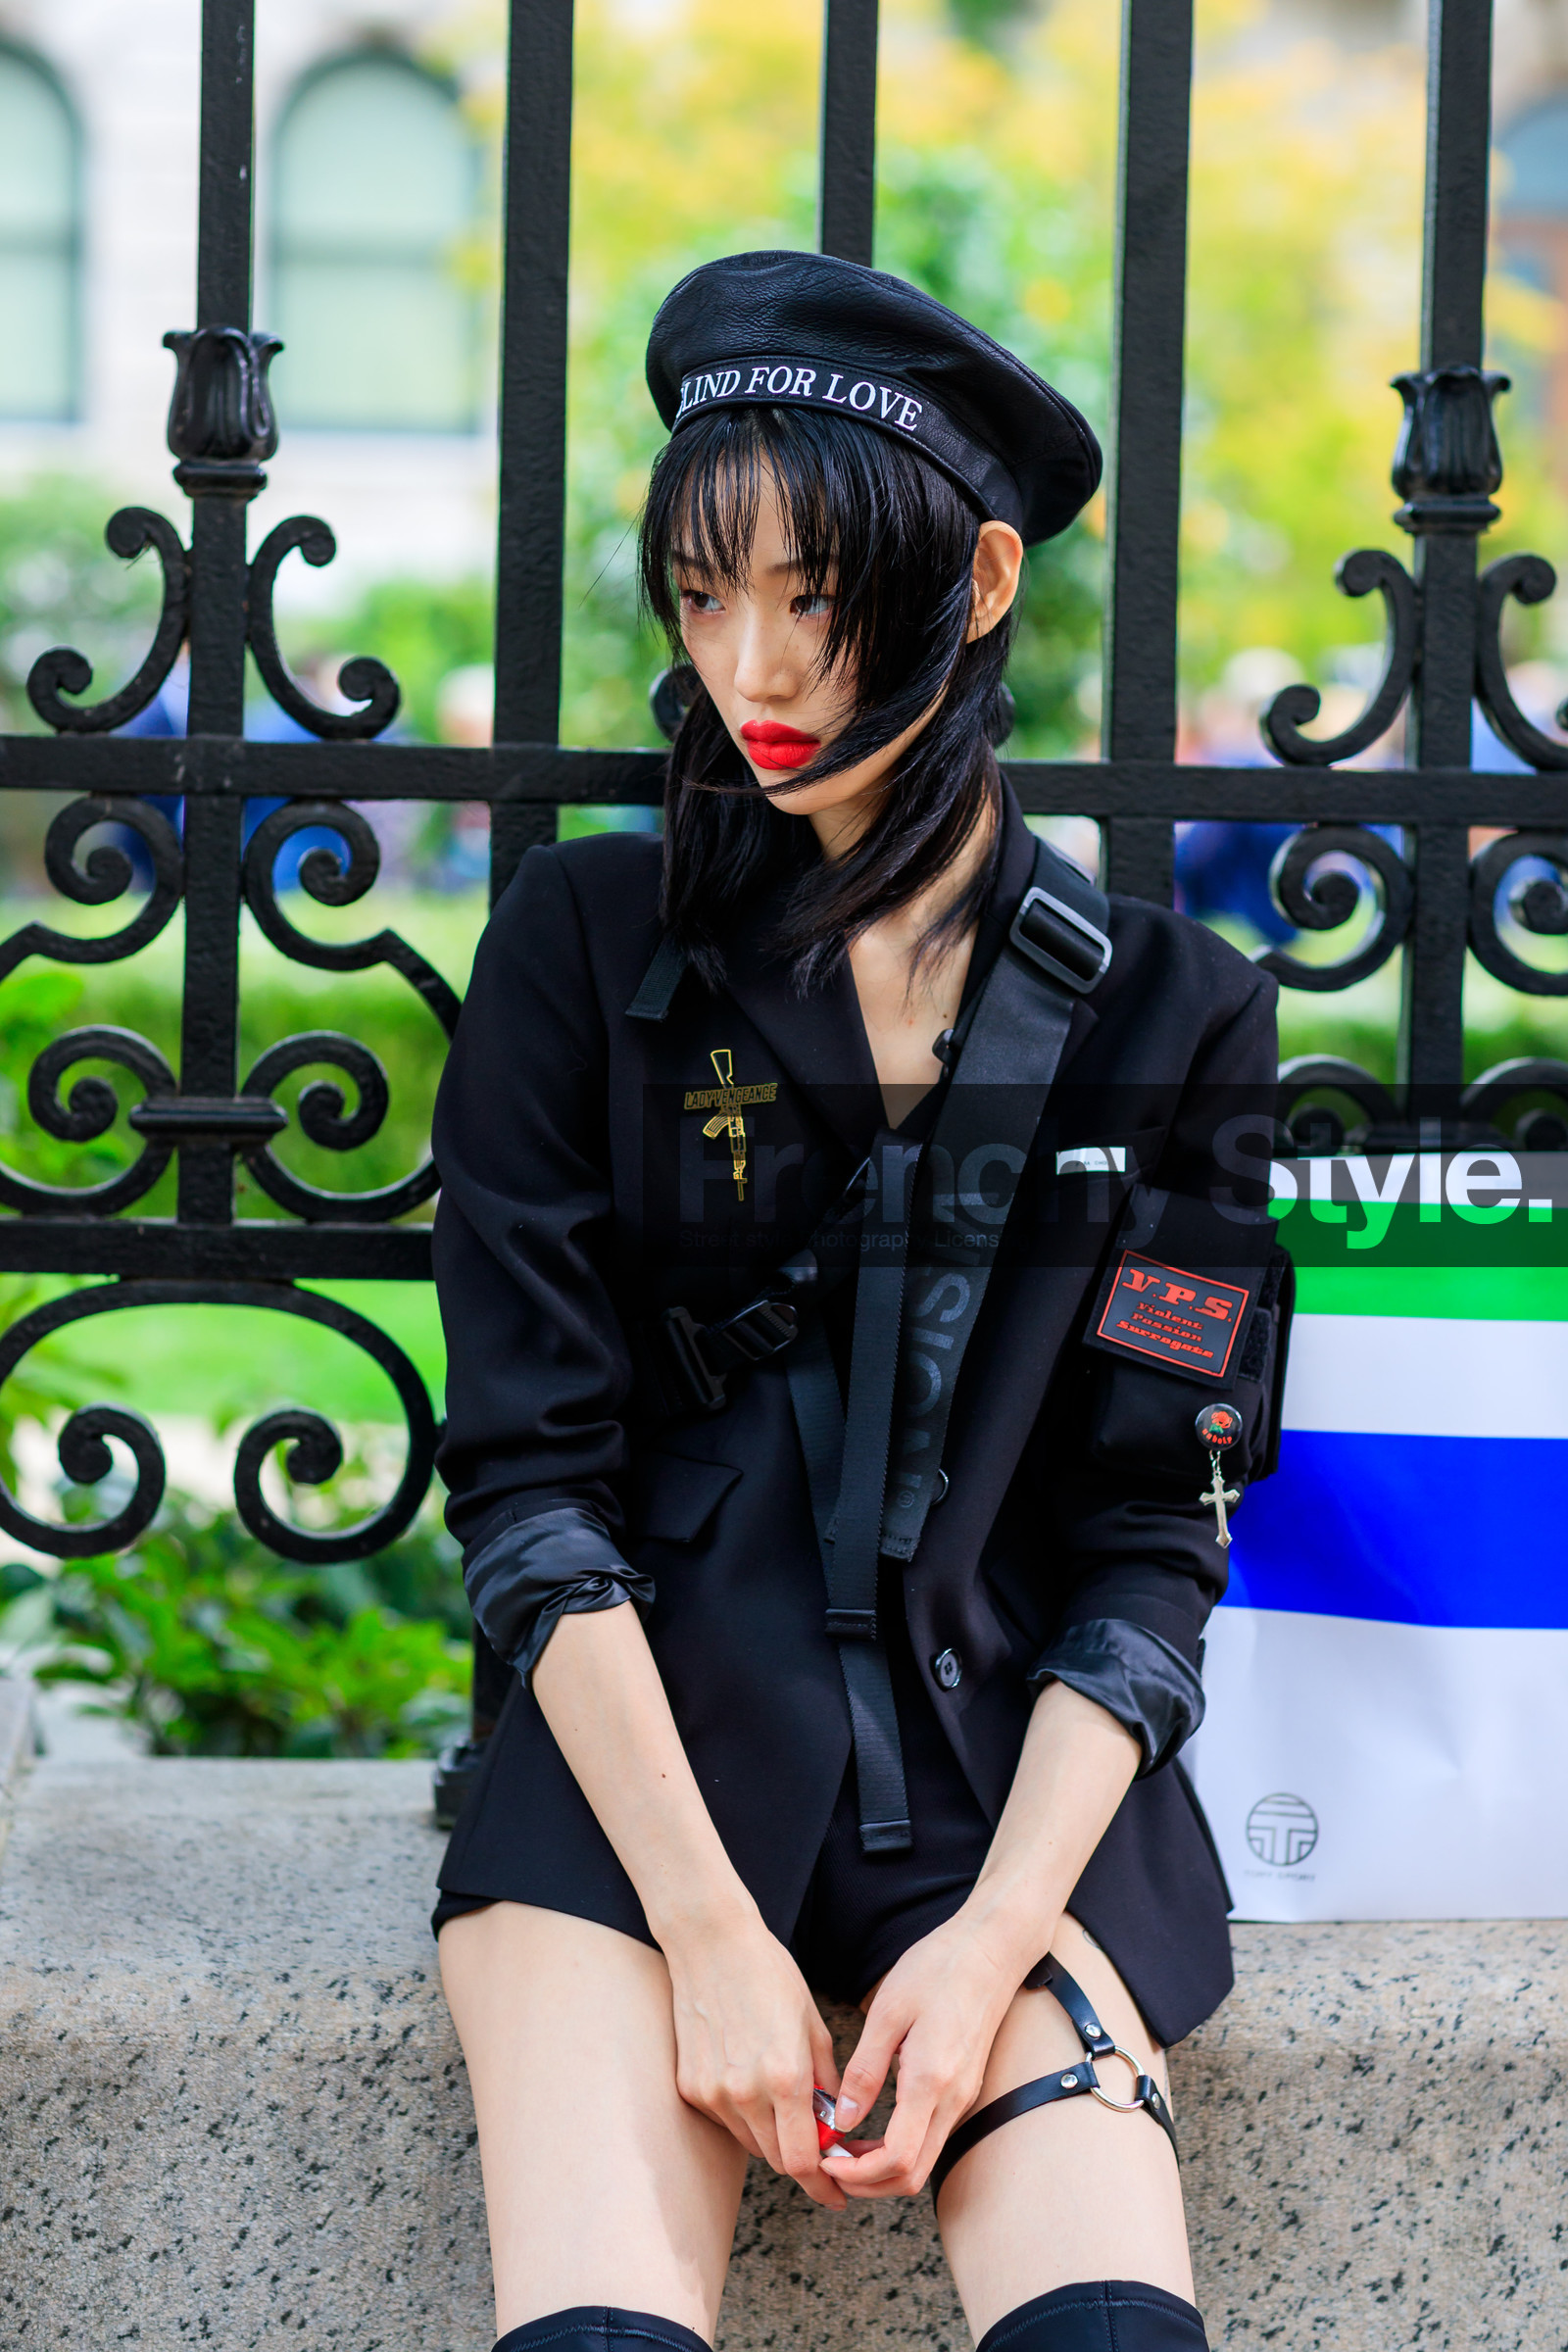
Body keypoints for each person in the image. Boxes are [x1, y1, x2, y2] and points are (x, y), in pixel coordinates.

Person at [429, 251, 1288, 2352]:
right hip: (639, 1790)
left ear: (977, 580)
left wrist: (1001, 1934)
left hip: (1012, 1794)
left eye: (813, 595)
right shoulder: (581, 939)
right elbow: (531, 1495)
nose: (750, 664)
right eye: (703, 593)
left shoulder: (1166, 1010)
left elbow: (1145, 1536)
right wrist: (710, 1930)